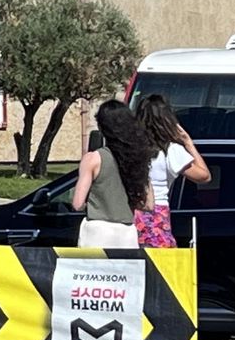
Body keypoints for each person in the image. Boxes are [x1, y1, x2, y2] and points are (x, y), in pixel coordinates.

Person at [71, 100, 152, 247]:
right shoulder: (138, 159)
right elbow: (148, 205)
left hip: (97, 231)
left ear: (102, 128)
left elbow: (77, 204)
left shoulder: (93, 159)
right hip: (126, 233)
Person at [133, 94, 209, 247]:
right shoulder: (170, 150)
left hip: (129, 212)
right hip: (157, 211)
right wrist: (188, 142)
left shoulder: (130, 148)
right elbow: (204, 176)